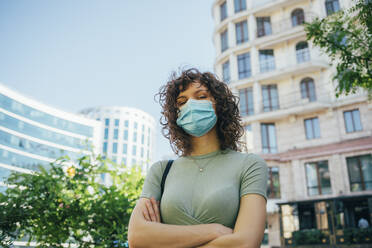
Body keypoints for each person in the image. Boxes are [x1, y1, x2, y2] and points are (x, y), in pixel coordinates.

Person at [128, 68, 268, 248]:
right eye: (182, 101)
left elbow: (245, 243)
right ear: (175, 114)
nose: (190, 105)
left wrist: (162, 239)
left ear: (220, 105)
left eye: (201, 97)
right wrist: (215, 231)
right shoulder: (161, 170)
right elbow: (137, 237)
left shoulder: (250, 165)